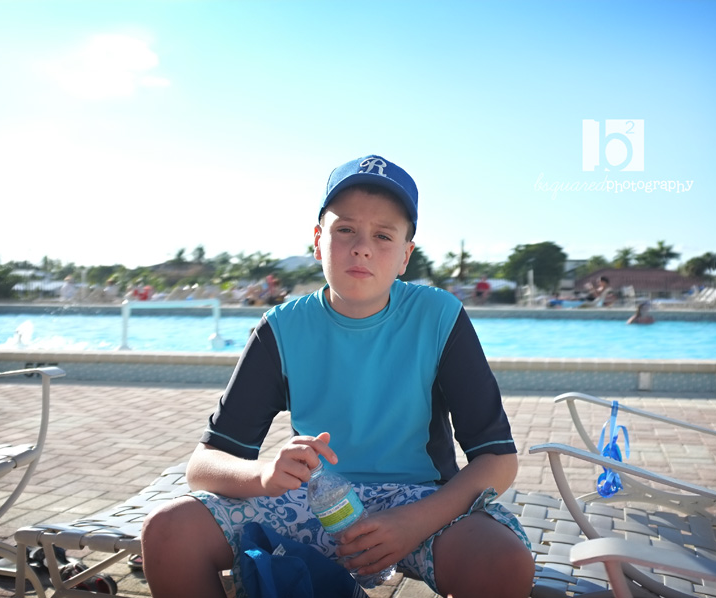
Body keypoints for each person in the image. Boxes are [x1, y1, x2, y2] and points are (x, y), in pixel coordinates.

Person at [140, 155, 534, 598]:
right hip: (312, 500)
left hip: (420, 501)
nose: (362, 247)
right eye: (345, 229)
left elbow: (497, 460)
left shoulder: (438, 317)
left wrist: (413, 522)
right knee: (169, 531)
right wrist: (265, 475)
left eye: (383, 235)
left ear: (405, 256)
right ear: (318, 241)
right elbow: (205, 464)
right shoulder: (282, 329)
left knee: (502, 561)